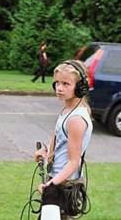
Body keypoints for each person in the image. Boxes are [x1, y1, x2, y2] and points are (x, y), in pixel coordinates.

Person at [34, 60, 93, 220]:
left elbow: (73, 162)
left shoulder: (76, 119)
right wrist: (46, 150)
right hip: (56, 180)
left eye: (66, 84)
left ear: (80, 87)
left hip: (64, 185)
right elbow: (59, 136)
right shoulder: (68, 109)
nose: (59, 88)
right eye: (57, 83)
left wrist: (51, 185)